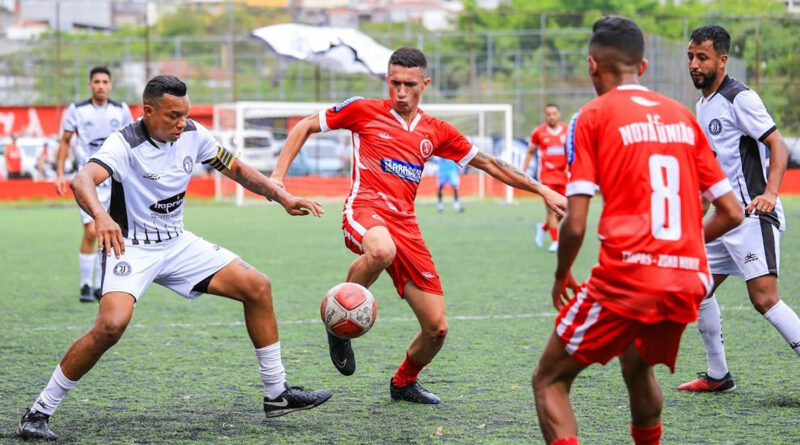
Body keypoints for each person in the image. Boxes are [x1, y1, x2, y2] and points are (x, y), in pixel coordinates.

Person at [17, 75, 332, 441]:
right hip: (131, 248)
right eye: (172, 116)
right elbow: (83, 180)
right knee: (111, 326)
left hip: (177, 244)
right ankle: (38, 412)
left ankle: (277, 394)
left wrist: (281, 196)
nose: (182, 123)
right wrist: (102, 217)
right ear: (148, 112)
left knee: (257, 286)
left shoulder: (194, 134)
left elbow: (238, 170)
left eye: (185, 114)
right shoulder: (124, 142)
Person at [271, 47, 566, 405]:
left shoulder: (436, 131)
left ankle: (403, 383)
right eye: (394, 82)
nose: (400, 91)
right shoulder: (362, 110)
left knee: (437, 329)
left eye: (409, 84)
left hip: (406, 226)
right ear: (387, 80)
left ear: (425, 84)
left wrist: (542, 189)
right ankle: (339, 315)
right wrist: (278, 178)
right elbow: (305, 125)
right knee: (381, 250)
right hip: (365, 210)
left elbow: (489, 163)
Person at [531, 17, 743, 445]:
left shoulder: (590, 117)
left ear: (593, 66)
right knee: (637, 366)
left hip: (629, 277)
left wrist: (561, 275)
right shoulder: (683, 116)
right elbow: (733, 212)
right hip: (687, 280)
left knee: (549, 380)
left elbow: (574, 223)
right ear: (642, 67)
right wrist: (679, 246)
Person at [677, 25, 800, 392]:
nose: (695, 65)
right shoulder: (702, 105)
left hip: (750, 217)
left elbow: (778, 146)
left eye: (703, 57)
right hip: (722, 219)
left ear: (722, 60)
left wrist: (771, 194)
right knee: (697, 292)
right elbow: (712, 172)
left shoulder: (739, 98)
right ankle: (719, 376)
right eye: (691, 57)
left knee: (764, 299)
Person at [55, 67, 135, 303]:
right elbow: (65, 141)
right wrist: (60, 173)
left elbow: (132, 143)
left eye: (105, 82)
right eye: (96, 81)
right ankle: (85, 284)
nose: (100, 85)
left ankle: (102, 284)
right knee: (91, 230)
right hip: (87, 180)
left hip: (114, 180)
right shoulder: (77, 110)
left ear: (110, 85)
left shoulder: (121, 110)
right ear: (90, 85)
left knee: (109, 231)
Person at [523, 104, 569, 253]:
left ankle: (542, 228)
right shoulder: (539, 132)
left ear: (559, 114)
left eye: (554, 113)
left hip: (565, 177)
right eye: (548, 114)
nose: (552, 116)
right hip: (547, 177)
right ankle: (555, 242)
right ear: (545, 116)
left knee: (564, 210)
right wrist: (523, 171)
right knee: (551, 210)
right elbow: (530, 152)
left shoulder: (568, 131)